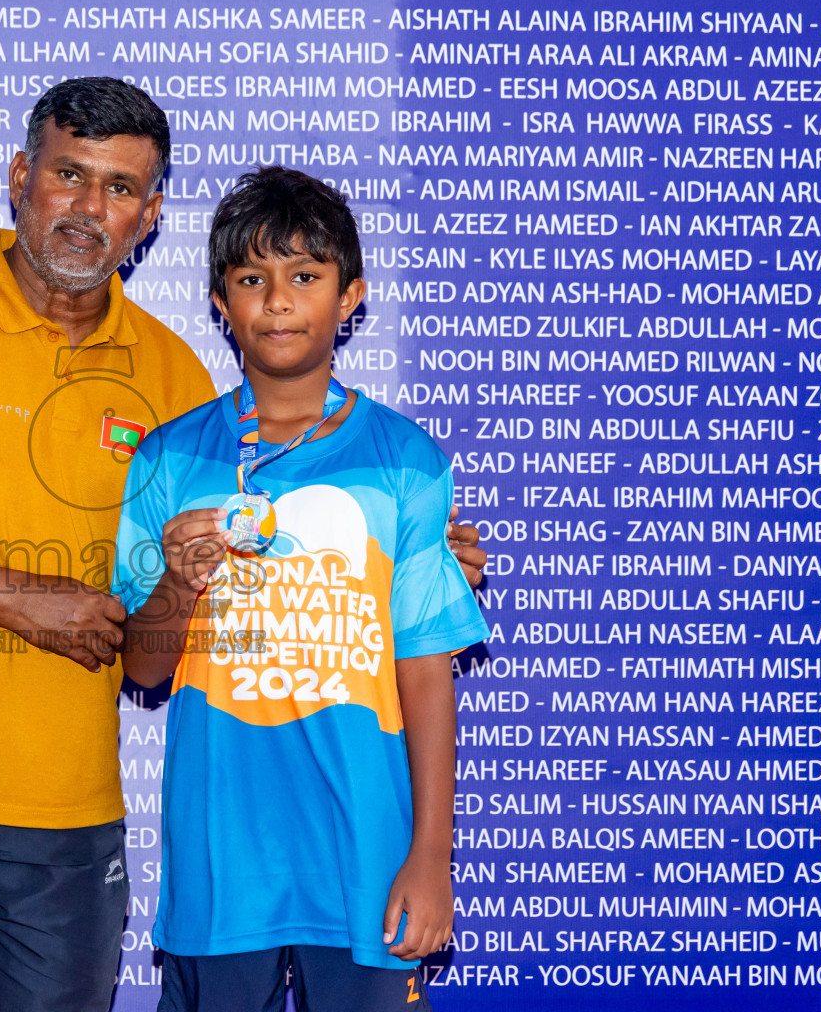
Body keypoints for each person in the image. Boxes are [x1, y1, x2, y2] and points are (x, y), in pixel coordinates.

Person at [0, 78, 486, 1012]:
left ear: (151, 214)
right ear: (22, 176)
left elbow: (212, 577)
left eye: (120, 187)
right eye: (69, 174)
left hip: (61, 809)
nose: (88, 209)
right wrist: (26, 597)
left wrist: (408, 564)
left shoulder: (178, 386)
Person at [115, 167, 489, 1012]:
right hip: (222, 860)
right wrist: (177, 582)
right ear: (221, 303)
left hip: (365, 855)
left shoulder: (406, 459)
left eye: (305, 277)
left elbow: (424, 669)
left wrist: (432, 856)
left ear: (350, 296)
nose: (278, 301)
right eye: (252, 279)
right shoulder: (171, 458)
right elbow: (140, 671)